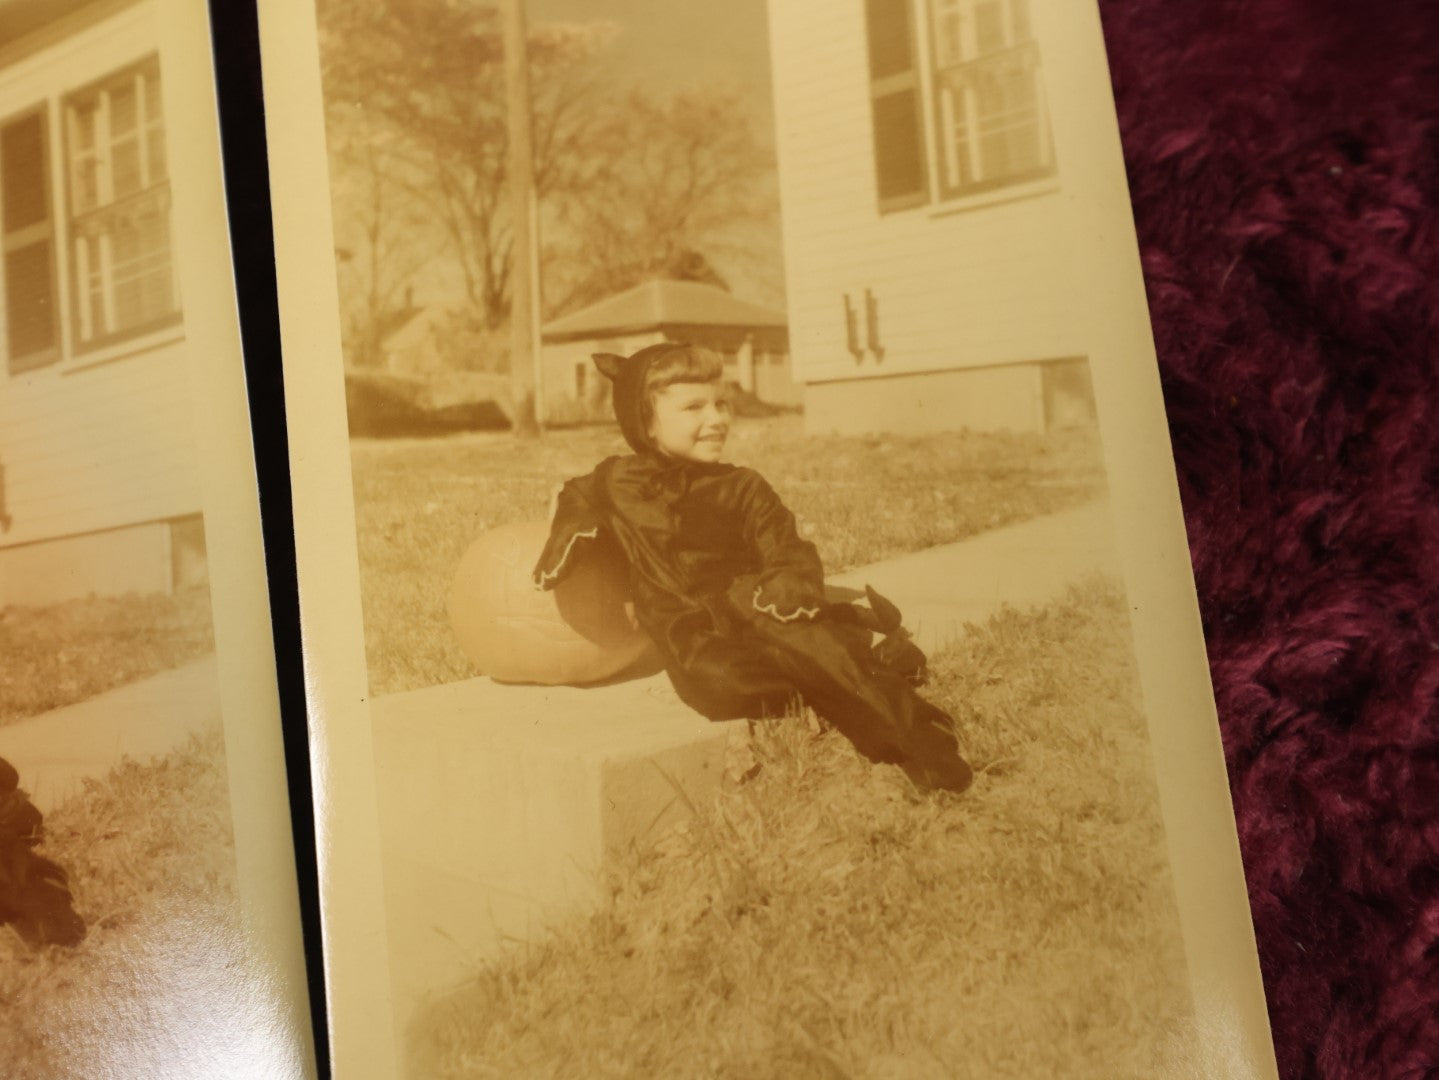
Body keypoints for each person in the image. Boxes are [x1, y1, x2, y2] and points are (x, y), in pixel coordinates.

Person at [532, 343, 972, 792]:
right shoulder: (616, 481)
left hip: (754, 603)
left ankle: (917, 740)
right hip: (683, 622)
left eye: (721, 404)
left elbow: (785, 545)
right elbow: (576, 493)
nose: (717, 418)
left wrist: (787, 587)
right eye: (694, 407)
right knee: (721, 688)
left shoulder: (742, 486)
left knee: (801, 641)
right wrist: (572, 530)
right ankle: (870, 657)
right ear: (644, 422)